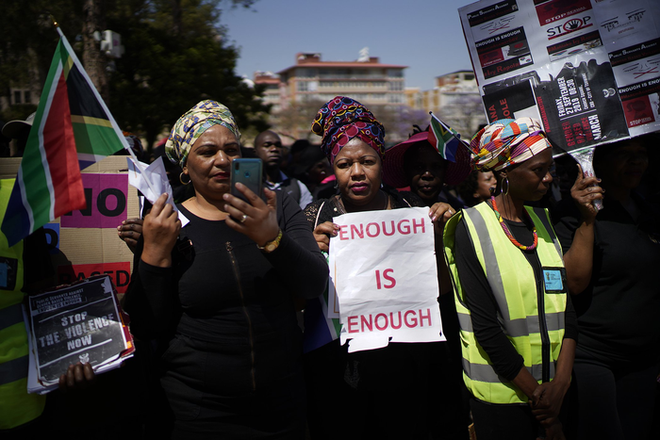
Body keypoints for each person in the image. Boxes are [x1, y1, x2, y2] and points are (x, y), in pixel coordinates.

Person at [122, 100, 328, 439]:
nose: (222, 160)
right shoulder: (165, 221)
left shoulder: (275, 205)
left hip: (282, 407)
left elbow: (312, 283)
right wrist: (155, 253)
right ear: (184, 167)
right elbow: (146, 326)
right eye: (207, 152)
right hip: (199, 414)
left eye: (231, 149)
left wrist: (271, 237)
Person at [303, 96, 456, 439]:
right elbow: (298, 299)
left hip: (406, 366)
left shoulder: (413, 211)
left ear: (381, 162)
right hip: (339, 370)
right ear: (332, 167)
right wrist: (309, 256)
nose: (356, 173)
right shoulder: (313, 218)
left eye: (367, 161)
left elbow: (441, 294)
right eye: (344, 164)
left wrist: (437, 240)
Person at [444, 118, 578, 440]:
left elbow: (568, 313)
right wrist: (543, 403)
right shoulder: (471, 226)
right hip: (506, 403)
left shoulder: (544, 222)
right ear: (505, 172)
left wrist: (560, 386)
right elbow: (488, 330)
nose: (548, 178)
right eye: (538, 170)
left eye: (550, 169)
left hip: (559, 395)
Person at [554, 135, 660, 440]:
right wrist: (587, 220)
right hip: (592, 356)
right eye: (625, 154)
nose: (636, 161)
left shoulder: (650, 209)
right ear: (597, 161)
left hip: (643, 360)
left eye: (641, 153)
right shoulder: (570, 213)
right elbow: (573, 283)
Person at [253, 130, 313, 210]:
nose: (274, 149)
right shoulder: (247, 185)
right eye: (267, 145)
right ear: (255, 152)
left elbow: (309, 218)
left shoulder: (297, 186)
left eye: (278, 145)